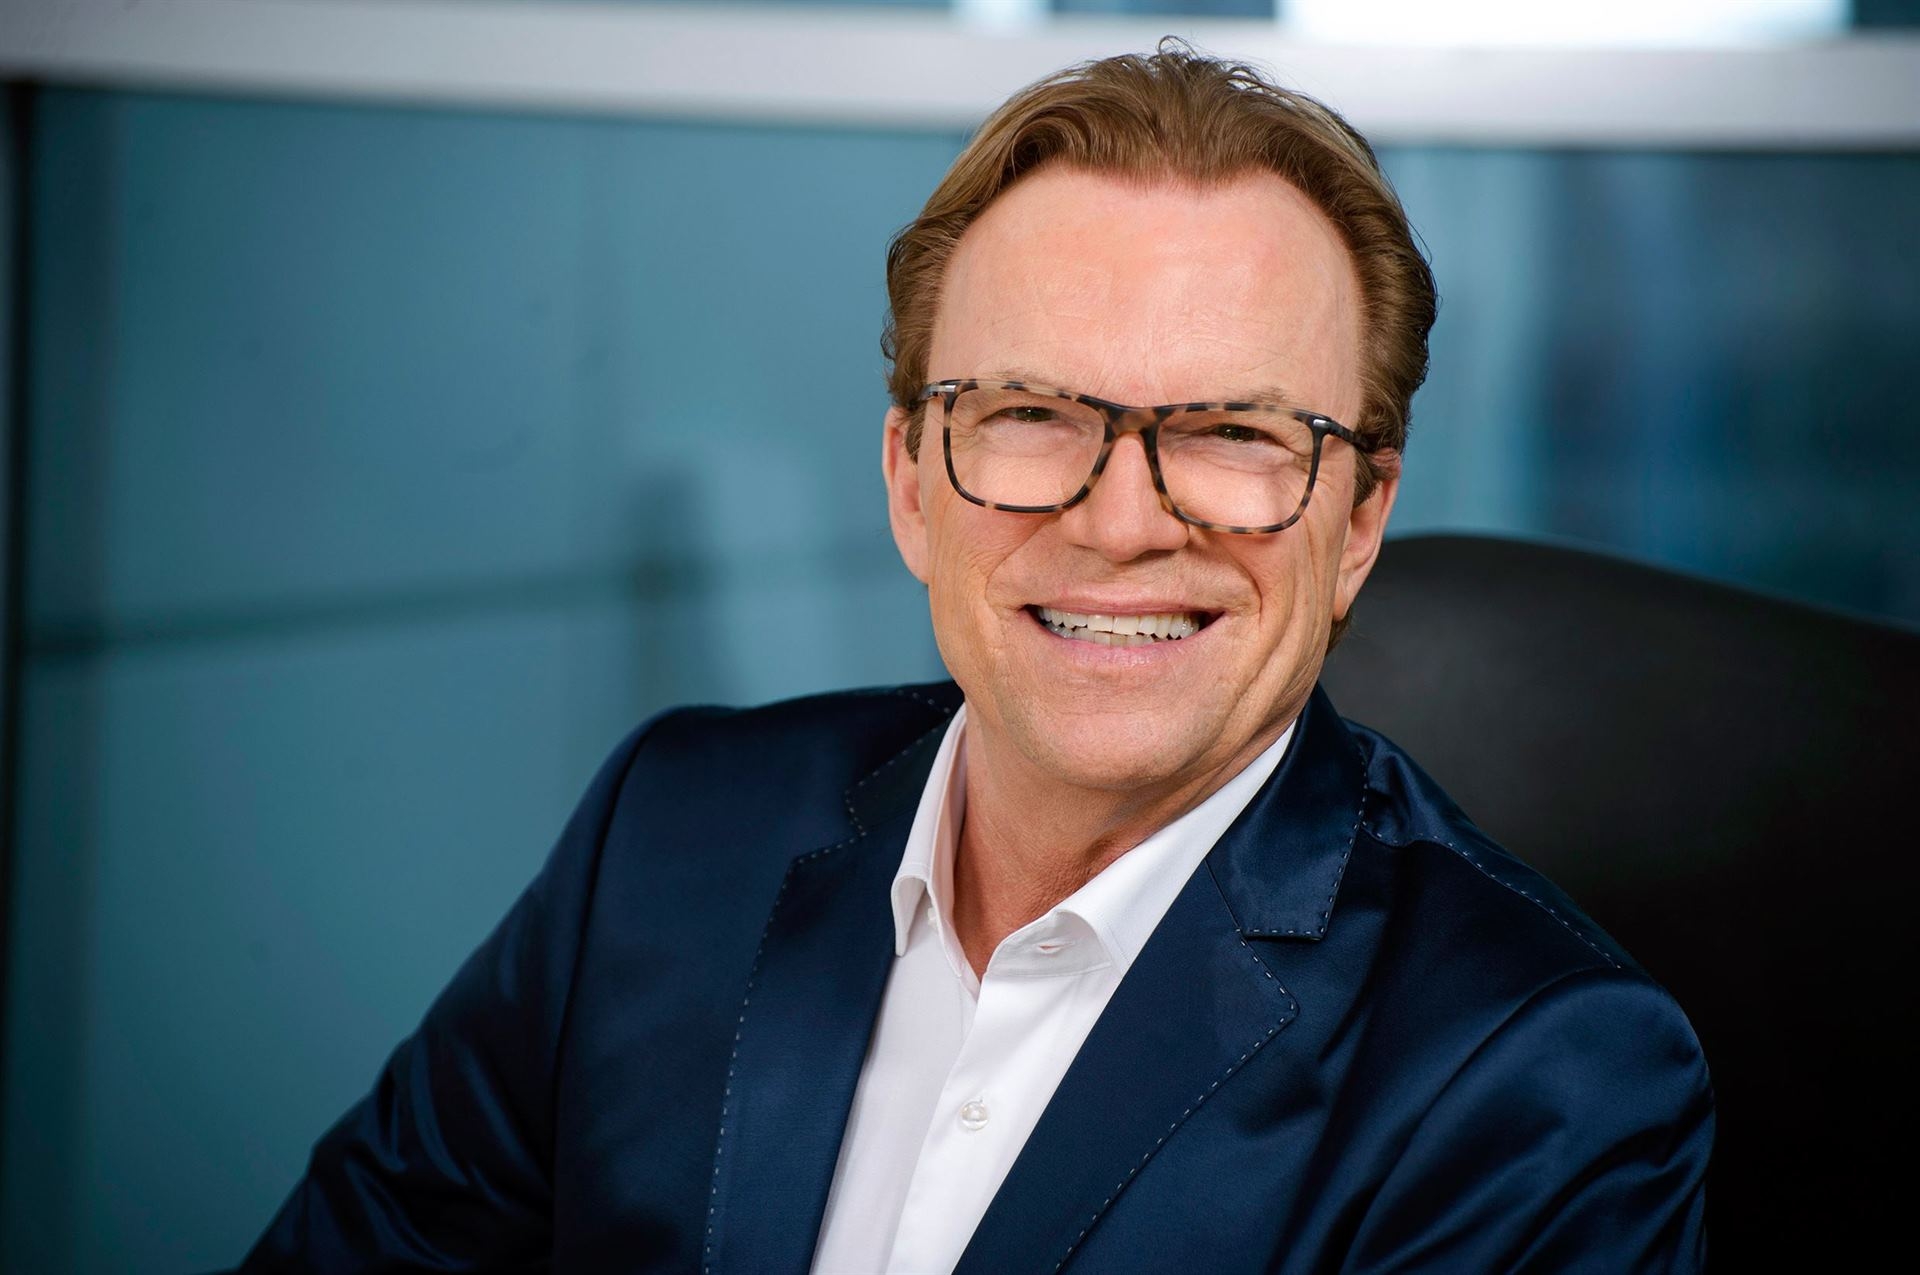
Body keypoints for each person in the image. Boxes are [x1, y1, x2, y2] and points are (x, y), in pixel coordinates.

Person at [243, 44, 1712, 1274]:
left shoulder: (1541, 1083)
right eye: (1031, 416)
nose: (1122, 523)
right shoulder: (668, 837)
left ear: (1358, 521)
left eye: (1234, 432)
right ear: (908, 481)